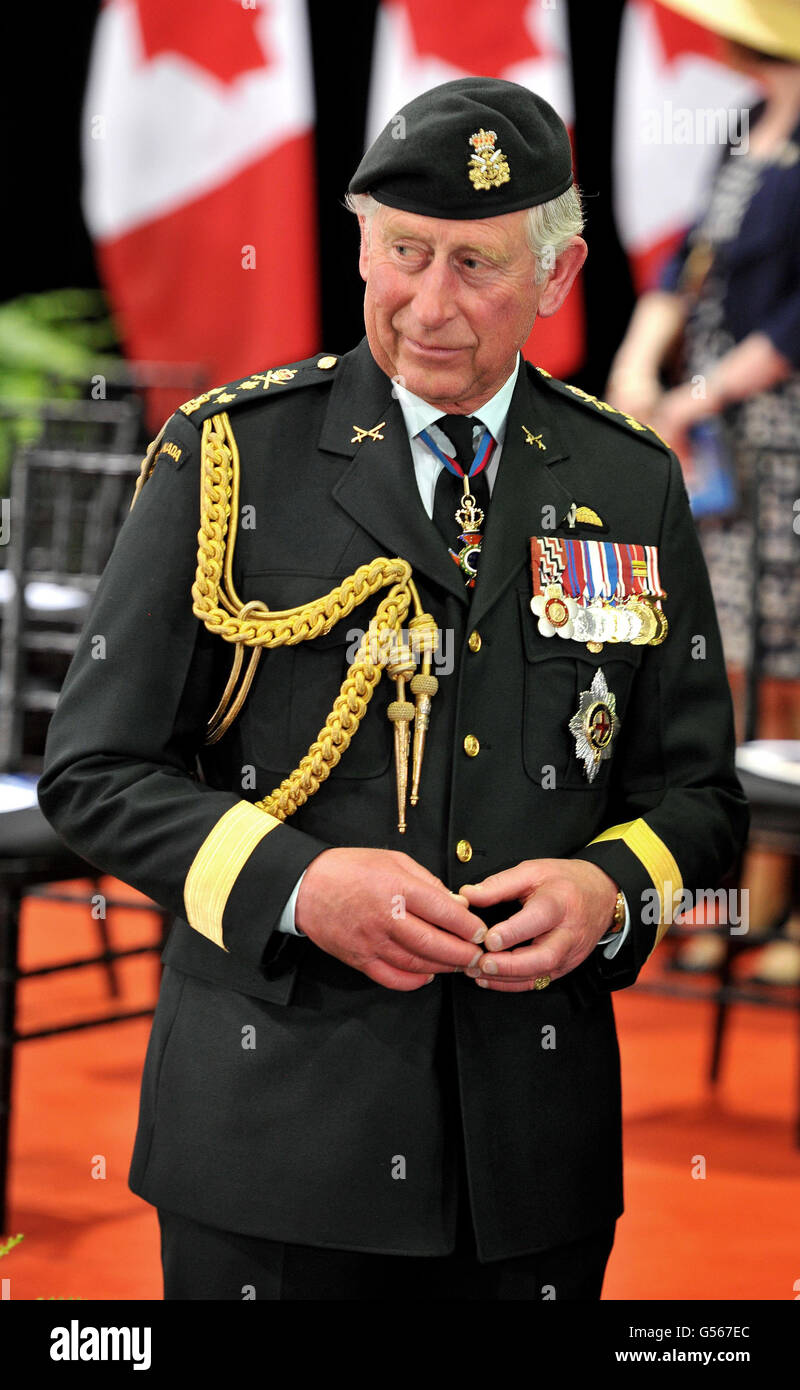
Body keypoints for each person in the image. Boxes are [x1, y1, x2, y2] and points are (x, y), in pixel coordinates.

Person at [38, 77, 748, 1301]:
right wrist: (300, 884)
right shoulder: (228, 457)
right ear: (358, 242)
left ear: (560, 276)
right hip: (273, 1151)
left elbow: (697, 799)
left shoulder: (627, 484)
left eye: (475, 265)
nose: (428, 305)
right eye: (401, 253)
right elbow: (93, 773)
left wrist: (606, 885)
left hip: (530, 1163)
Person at [606, 0, 800, 982]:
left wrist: (693, 393)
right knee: (716, 648)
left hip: (781, 429)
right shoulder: (739, 128)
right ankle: (715, 885)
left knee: (787, 663)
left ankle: (772, 909)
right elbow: (682, 264)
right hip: (715, 435)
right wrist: (639, 368)